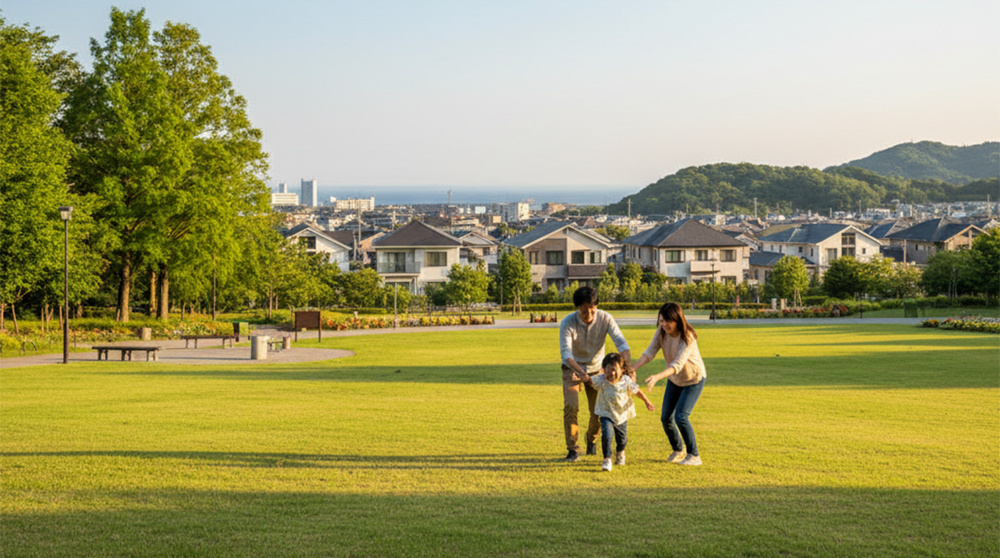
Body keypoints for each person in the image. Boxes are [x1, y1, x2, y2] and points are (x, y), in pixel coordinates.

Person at [559, 286, 631, 462]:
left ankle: (591, 438)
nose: (589, 315)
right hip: (572, 369)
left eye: (592, 310)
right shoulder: (568, 322)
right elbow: (566, 354)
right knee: (571, 407)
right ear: (577, 309)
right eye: (584, 311)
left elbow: (621, 344)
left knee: (599, 411)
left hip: (598, 370)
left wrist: (628, 368)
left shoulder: (606, 318)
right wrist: (580, 373)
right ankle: (573, 449)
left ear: (597, 306)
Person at [632, 302, 706, 466]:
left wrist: (657, 377)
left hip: (694, 379)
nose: (664, 324)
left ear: (678, 320)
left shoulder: (688, 336)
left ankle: (694, 455)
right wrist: (633, 368)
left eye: (668, 321)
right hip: (675, 379)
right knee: (666, 418)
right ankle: (678, 449)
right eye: (662, 320)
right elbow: (650, 352)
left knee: (681, 416)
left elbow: (677, 365)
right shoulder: (661, 332)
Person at [573, 352, 655, 471]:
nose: (611, 373)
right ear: (603, 370)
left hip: (622, 414)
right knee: (607, 435)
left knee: (622, 439)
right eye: (607, 370)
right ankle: (607, 459)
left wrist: (647, 402)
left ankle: (620, 453)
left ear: (621, 370)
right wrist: (583, 377)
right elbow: (591, 381)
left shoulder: (626, 380)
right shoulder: (601, 380)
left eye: (614, 370)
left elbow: (637, 391)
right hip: (606, 412)